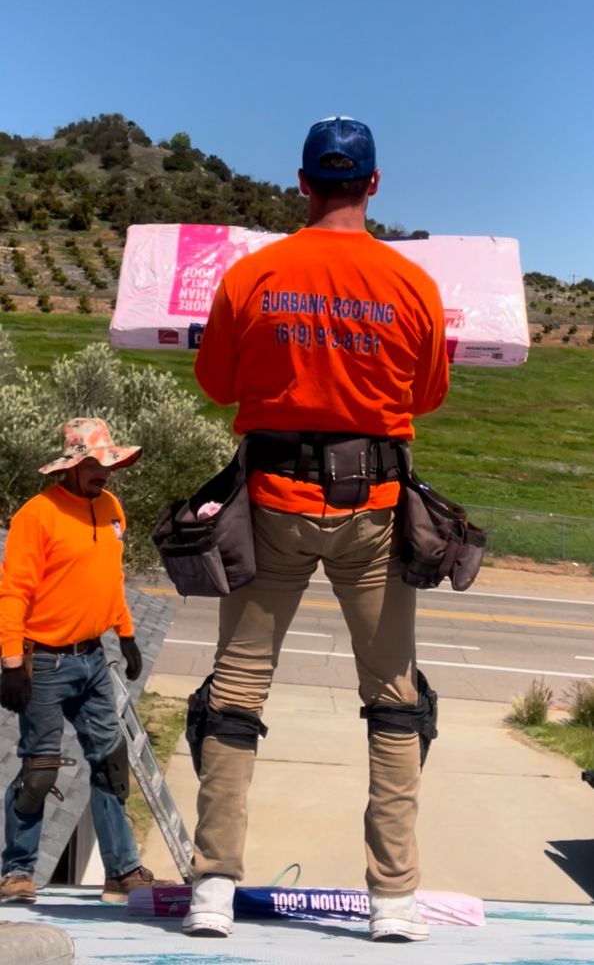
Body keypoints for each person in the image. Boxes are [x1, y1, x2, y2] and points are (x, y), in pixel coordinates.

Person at [185, 117, 449, 941]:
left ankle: (212, 892)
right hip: (374, 510)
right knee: (395, 699)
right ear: (374, 186)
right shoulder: (412, 284)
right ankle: (394, 902)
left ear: (302, 183)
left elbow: (217, 382)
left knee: (235, 693)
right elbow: (428, 397)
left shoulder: (254, 276)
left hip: (272, 506)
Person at [0, 418, 162, 905]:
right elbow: (14, 591)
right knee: (40, 769)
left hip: (93, 658)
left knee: (111, 764)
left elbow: (109, 580)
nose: (104, 473)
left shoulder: (111, 508)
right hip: (43, 663)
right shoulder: (39, 515)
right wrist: (10, 662)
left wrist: (127, 634)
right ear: (70, 467)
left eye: (108, 464)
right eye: (94, 465)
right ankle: (17, 873)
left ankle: (122, 871)